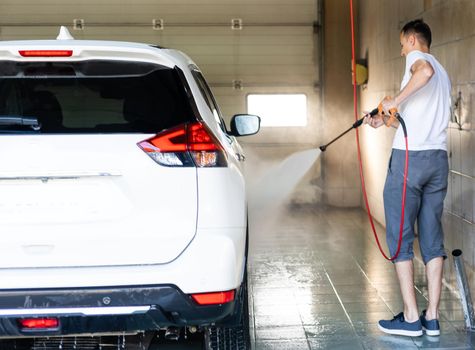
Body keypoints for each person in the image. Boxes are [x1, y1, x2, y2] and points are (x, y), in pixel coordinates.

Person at [365, 19, 451, 337]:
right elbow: (417, 117)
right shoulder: (442, 70)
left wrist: (393, 100)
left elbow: (421, 74)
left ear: (413, 40)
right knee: (431, 238)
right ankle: (432, 317)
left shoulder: (421, 62)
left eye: (402, 44)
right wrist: (384, 120)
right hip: (437, 160)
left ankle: (412, 318)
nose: (402, 51)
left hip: (410, 161)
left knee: (399, 238)